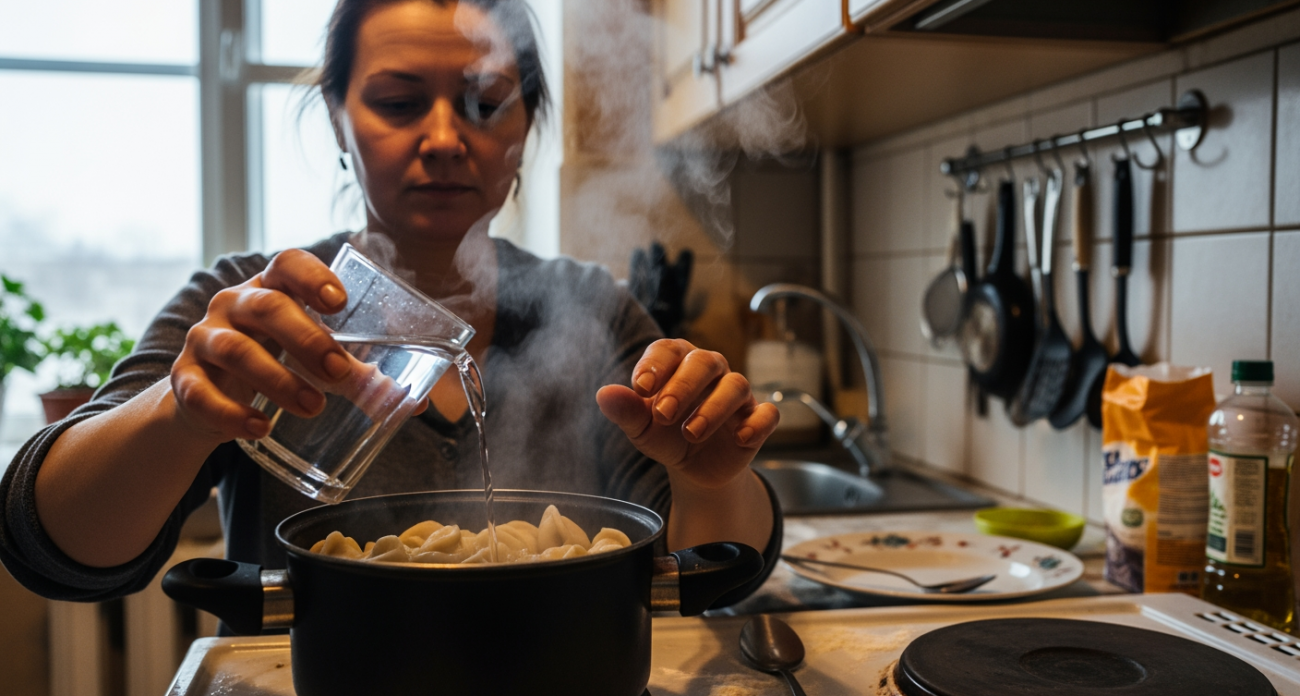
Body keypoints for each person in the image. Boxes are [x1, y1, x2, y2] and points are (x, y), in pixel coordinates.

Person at [0, 0, 782, 606]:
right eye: (400, 103)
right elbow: (52, 548)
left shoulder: (592, 312)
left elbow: (713, 575)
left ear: (526, 128)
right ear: (339, 117)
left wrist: (710, 480)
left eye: (485, 103)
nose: (444, 138)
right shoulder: (248, 305)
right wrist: (181, 414)